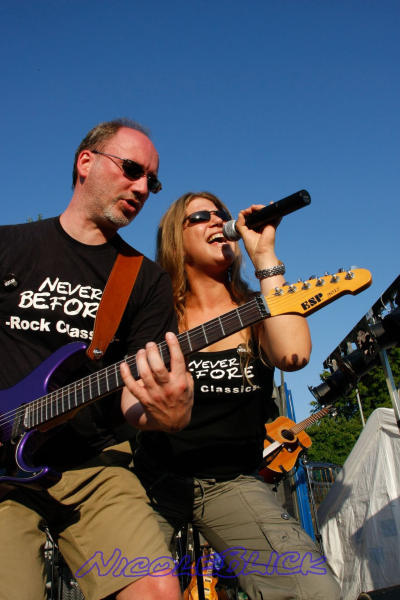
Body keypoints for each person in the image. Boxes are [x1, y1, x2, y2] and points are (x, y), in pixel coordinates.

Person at [0, 119, 193, 600]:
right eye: (132, 169)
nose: (143, 188)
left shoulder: (145, 281)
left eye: (152, 181)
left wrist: (164, 413)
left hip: (94, 465)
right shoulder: (9, 246)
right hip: (4, 469)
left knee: (157, 591)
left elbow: (132, 399)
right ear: (85, 162)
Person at [133, 191, 341, 599]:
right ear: (175, 238)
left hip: (229, 482)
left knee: (315, 591)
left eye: (221, 214)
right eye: (201, 217)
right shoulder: (156, 313)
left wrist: (265, 256)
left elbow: (293, 355)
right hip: (152, 478)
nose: (217, 220)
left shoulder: (259, 309)